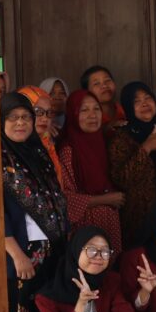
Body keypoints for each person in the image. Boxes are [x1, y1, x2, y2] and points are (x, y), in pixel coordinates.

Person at [0, 92, 69, 312]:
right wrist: (16, 254)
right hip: (21, 253)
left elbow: (55, 199)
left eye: (26, 117)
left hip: (49, 249)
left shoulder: (38, 153)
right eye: (13, 118)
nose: (20, 123)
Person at [109, 82, 156, 245]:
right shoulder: (121, 138)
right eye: (137, 101)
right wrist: (146, 148)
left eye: (147, 98)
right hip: (141, 219)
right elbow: (122, 178)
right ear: (128, 107)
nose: (144, 104)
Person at [59, 89, 125, 250]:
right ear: (73, 115)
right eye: (84, 110)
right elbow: (65, 198)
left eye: (96, 109)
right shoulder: (68, 151)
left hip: (110, 221)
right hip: (85, 226)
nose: (92, 115)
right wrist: (105, 200)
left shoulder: (106, 143)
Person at [18, 85, 62, 182]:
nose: (45, 118)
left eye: (49, 112)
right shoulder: (14, 150)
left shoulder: (48, 146)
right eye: (37, 111)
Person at [80, 65, 125, 134]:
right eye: (96, 83)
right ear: (87, 91)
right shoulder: (87, 117)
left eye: (107, 80)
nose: (104, 86)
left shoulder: (126, 110)